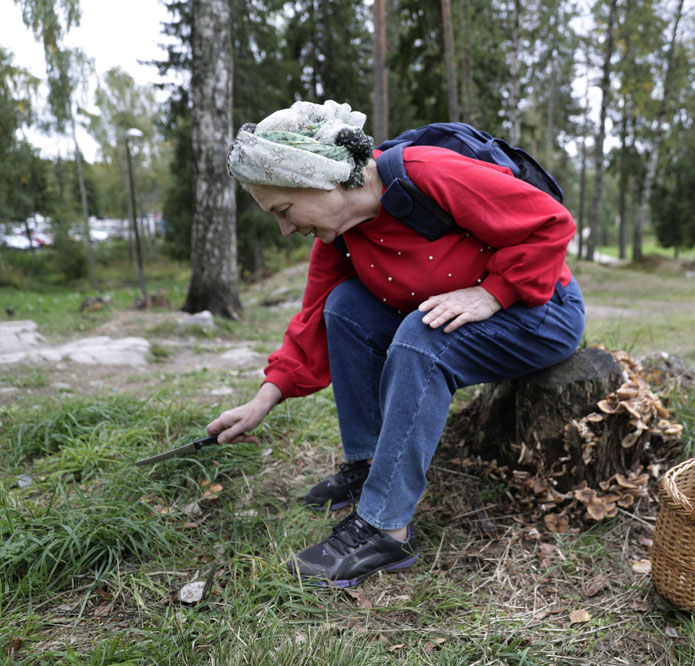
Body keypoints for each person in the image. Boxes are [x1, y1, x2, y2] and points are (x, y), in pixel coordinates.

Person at [210, 100, 585, 588]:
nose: (286, 228)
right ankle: (367, 467)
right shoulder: (340, 235)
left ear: (323, 178)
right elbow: (313, 320)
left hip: (540, 313)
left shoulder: (426, 174)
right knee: (344, 305)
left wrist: (495, 292)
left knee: (420, 336)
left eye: (285, 209)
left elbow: (549, 221)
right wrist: (264, 398)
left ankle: (386, 527)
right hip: (459, 311)